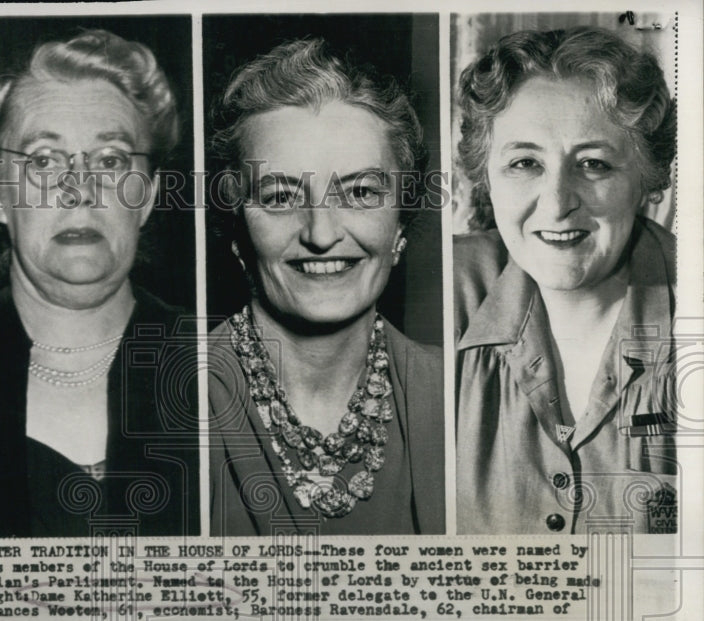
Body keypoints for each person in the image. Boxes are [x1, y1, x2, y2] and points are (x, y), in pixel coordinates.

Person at [208, 38, 444, 535]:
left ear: (401, 222)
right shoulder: (172, 401)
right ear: (237, 230)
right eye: (280, 196)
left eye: (360, 192)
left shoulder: (466, 399)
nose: (321, 234)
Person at [0, 29, 199, 537]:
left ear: (148, 194)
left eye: (111, 160)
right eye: (44, 161)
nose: (80, 190)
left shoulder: (223, 370)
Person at [454, 27, 677, 534]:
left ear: (647, 177)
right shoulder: (432, 295)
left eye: (594, 165)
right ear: (484, 174)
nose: (556, 203)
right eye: (525, 163)